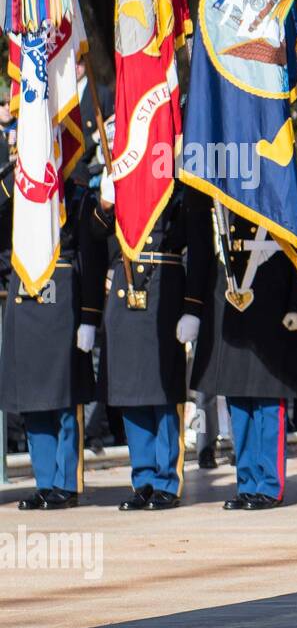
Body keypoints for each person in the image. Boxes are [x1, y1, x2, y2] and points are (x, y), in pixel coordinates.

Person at [81, 162, 209, 510]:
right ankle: (143, 478)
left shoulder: (182, 184)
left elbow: (199, 246)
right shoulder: (123, 181)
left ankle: (167, 479)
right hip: (125, 289)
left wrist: (192, 307)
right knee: (130, 391)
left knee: (163, 391)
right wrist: (106, 203)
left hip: (163, 288)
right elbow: (94, 234)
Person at [186, 182, 297, 510]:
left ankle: (269, 485)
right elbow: (199, 234)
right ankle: (247, 481)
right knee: (238, 398)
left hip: (271, 299)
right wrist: (192, 306)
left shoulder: (281, 173)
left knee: (268, 399)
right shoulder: (220, 179)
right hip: (228, 300)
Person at [0, 157, 97, 510]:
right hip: (24, 284)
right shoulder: (15, 185)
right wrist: (13, 176)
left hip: (60, 284)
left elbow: (88, 246)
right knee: (32, 394)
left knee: (61, 393)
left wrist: (89, 313)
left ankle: (65, 481)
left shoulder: (74, 189)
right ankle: (44, 481)